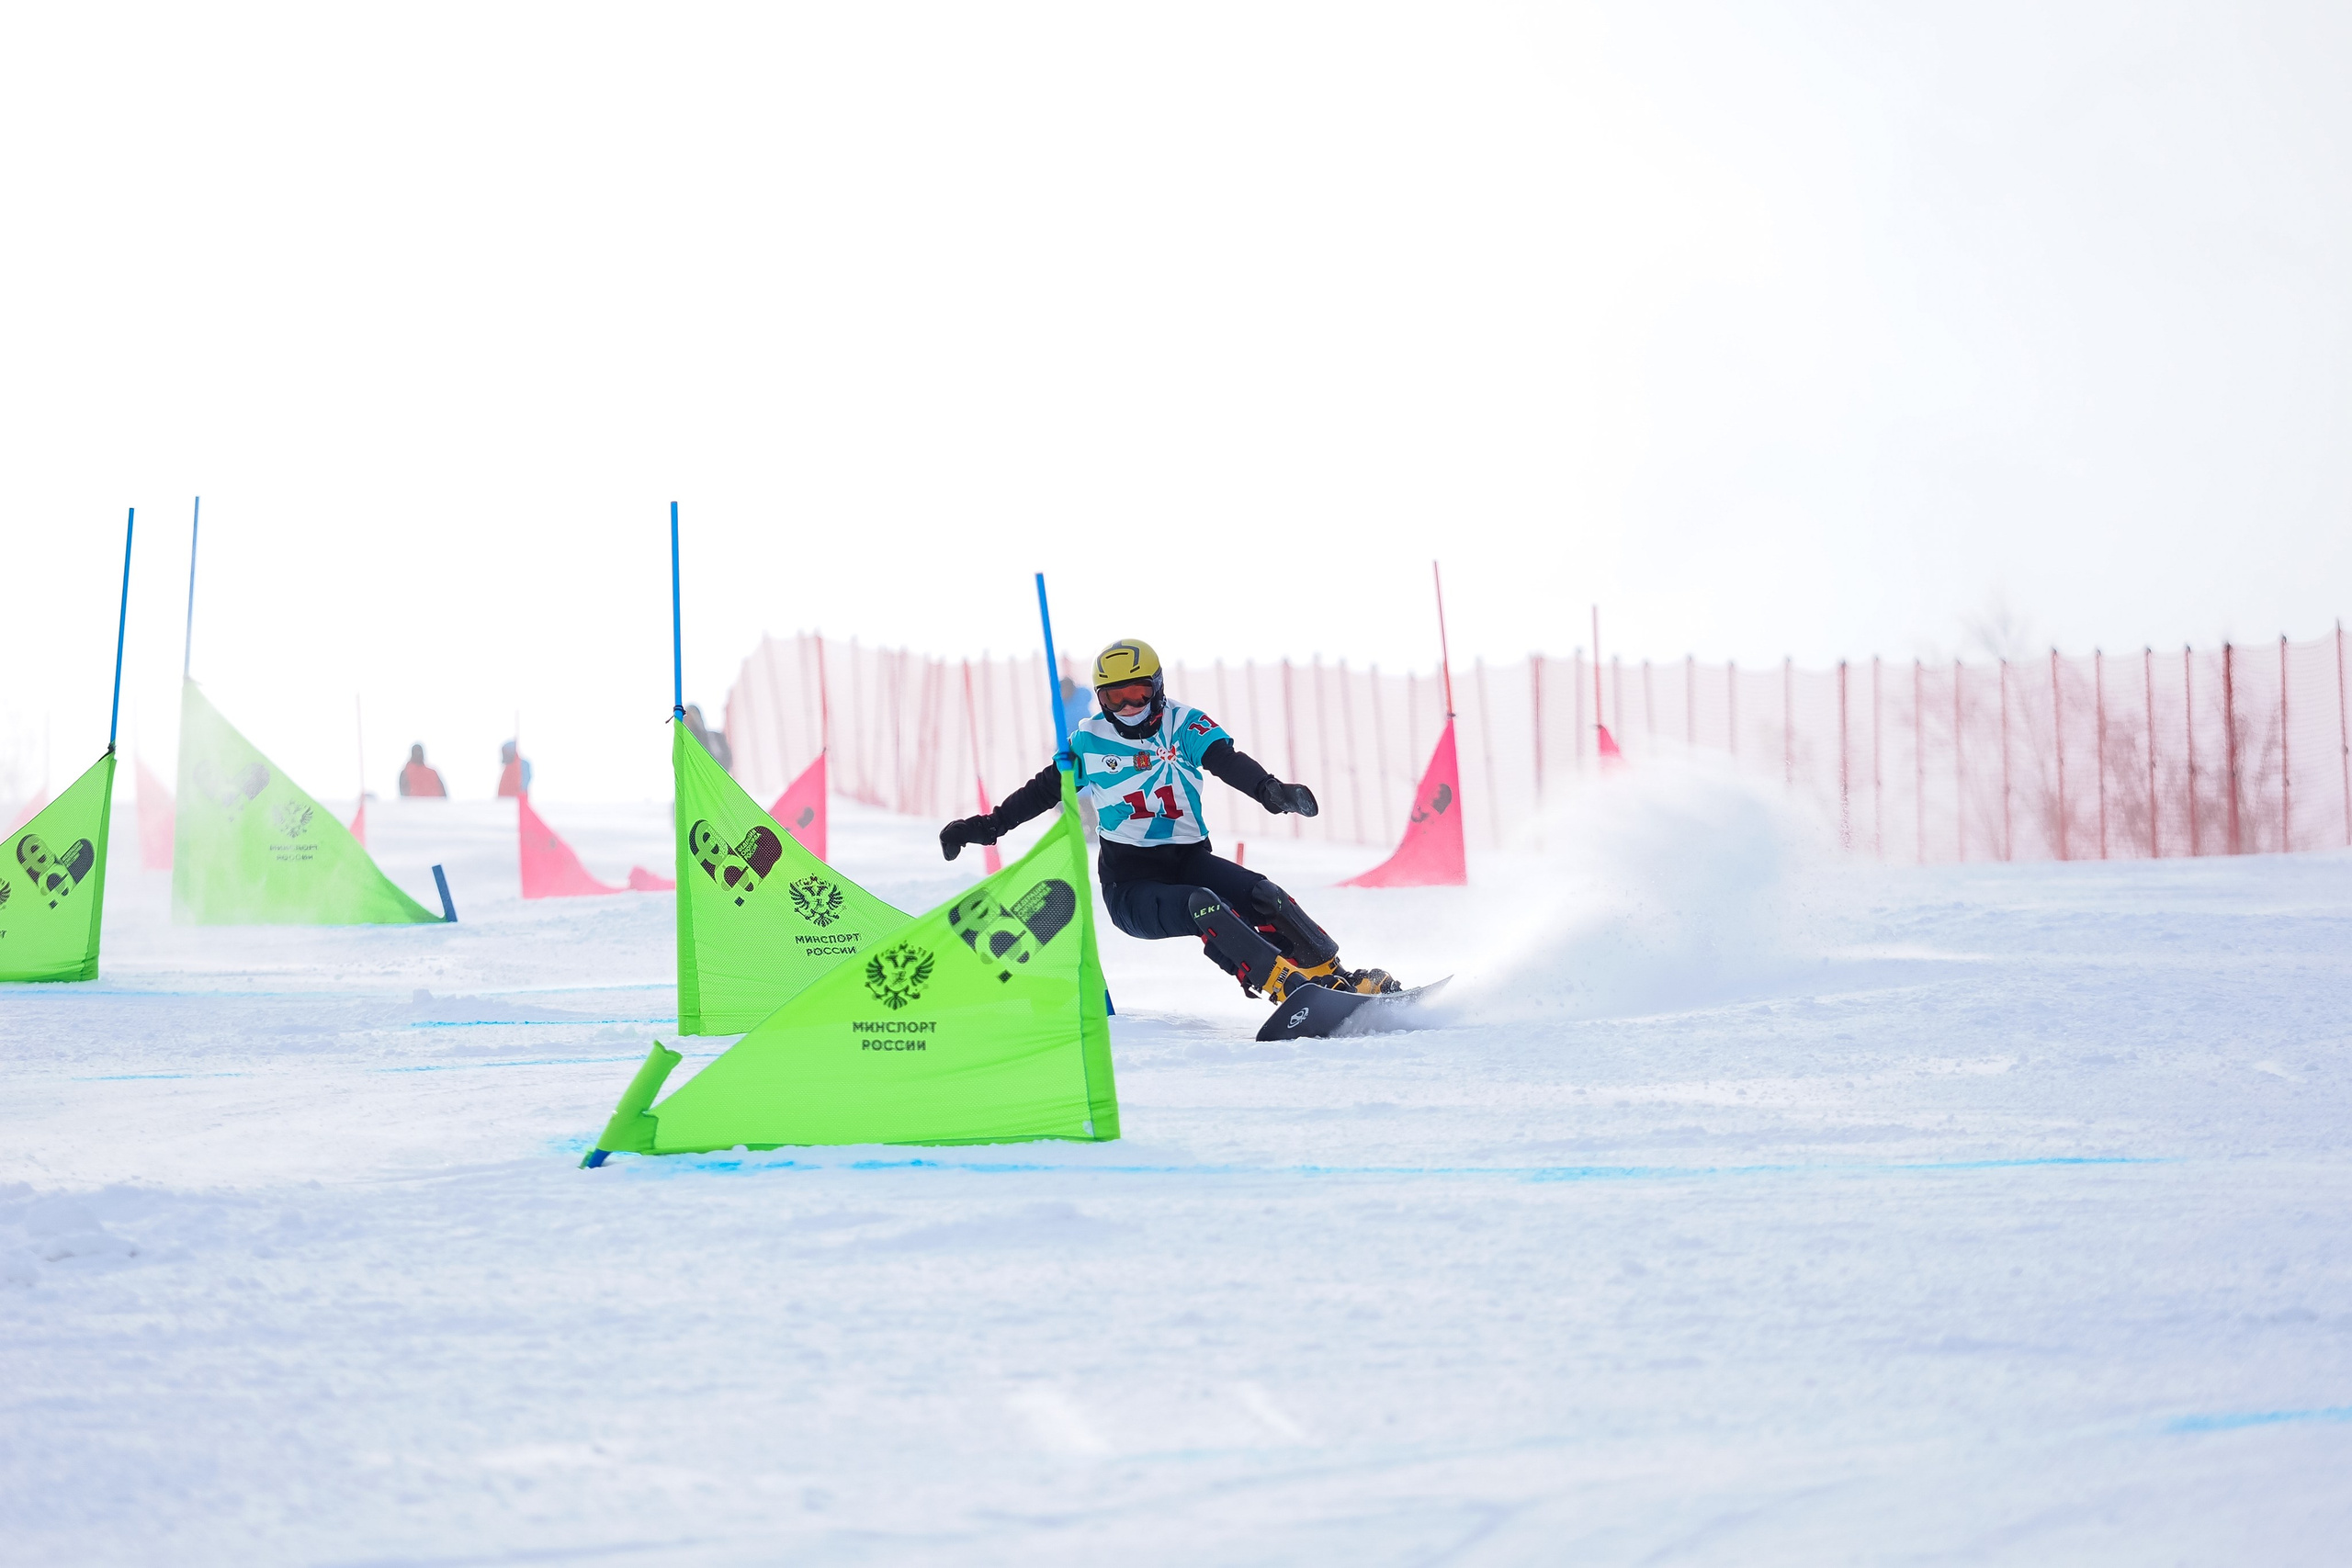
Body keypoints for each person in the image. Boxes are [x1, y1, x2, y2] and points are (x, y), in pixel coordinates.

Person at [939, 638, 1396, 1007]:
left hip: (1188, 860)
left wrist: (1269, 791)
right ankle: (1287, 989)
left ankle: (1332, 979)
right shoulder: (1089, 740)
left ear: (1156, 686)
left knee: (1263, 893)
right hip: (1130, 885)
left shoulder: (1183, 724)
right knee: (1204, 904)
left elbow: (1225, 760)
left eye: (1136, 692)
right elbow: (1039, 793)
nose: (1127, 706)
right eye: (1113, 697)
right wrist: (983, 828)